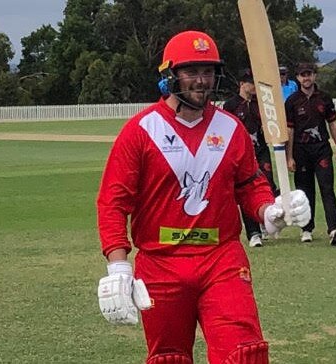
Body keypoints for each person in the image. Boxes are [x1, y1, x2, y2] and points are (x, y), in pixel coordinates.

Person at [96, 30, 311, 364]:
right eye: (191, 71)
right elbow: (113, 200)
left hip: (221, 259)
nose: (201, 81)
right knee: (169, 357)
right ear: (171, 75)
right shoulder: (141, 131)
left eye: (208, 71)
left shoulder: (230, 128)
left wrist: (270, 211)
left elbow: (249, 185)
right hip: (160, 263)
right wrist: (118, 265)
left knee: (244, 353)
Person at [285, 62, 336, 246]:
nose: (306, 78)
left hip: (321, 149)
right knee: (305, 192)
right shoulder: (292, 101)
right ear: (297, 78)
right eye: (303, 75)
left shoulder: (324, 98)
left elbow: (332, 123)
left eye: (309, 74)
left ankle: (334, 228)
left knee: (327, 189)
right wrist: (289, 156)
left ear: (315, 76)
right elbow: (290, 130)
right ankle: (306, 228)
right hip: (301, 150)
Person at [223, 68, 278, 248]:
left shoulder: (260, 104)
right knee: (246, 188)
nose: (254, 86)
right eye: (250, 82)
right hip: (241, 154)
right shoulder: (231, 105)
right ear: (242, 84)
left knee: (267, 184)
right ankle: (253, 233)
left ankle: (265, 220)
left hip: (261, 150)